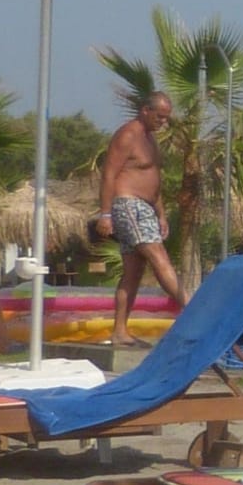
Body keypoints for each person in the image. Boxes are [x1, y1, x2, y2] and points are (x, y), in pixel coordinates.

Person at [97, 91, 187, 346]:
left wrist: (161, 215)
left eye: (166, 118)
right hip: (129, 204)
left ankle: (119, 331)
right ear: (145, 110)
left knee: (133, 272)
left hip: (146, 207)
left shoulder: (150, 139)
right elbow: (109, 174)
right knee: (159, 257)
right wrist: (105, 213)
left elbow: (153, 179)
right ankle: (193, 309)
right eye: (159, 117)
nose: (163, 122)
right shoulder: (128, 135)